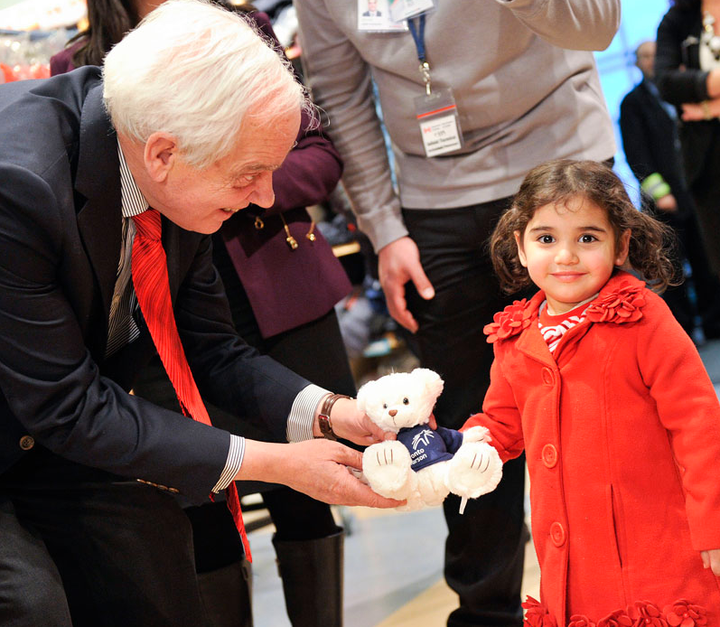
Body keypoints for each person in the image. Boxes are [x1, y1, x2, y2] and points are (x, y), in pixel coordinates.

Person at [0, 2, 404, 625]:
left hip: (51, 430)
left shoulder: (168, 155)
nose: (267, 197)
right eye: (251, 174)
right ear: (163, 153)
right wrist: (278, 464)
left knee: (157, 551)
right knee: (34, 606)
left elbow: (213, 345)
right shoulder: (20, 188)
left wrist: (333, 414)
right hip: (39, 417)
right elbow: (67, 406)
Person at [293, 1, 620, 624]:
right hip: (432, 201)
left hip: (561, 165)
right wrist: (384, 231)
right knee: (461, 424)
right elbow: (340, 94)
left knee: (601, 403)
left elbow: (599, 24)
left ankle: (625, 597)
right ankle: (485, 613)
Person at [461, 158, 720, 624]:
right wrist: (467, 446)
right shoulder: (516, 336)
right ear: (519, 248)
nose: (565, 256)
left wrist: (714, 525)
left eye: (587, 237)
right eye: (546, 239)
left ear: (621, 246)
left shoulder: (644, 318)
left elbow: (698, 424)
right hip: (574, 567)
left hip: (661, 556)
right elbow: (502, 422)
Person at [619, 39, 720, 340]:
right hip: (663, 203)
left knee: (707, 259)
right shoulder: (632, 103)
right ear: (637, 64)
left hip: (696, 192)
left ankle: (715, 323)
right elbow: (636, 153)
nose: (652, 61)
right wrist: (661, 193)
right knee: (672, 267)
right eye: (645, 56)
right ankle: (682, 331)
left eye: (656, 55)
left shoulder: (680, 93)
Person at [655, 0, 720, 279]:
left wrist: (707, 106)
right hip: (706, 162)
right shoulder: (677, 19)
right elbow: (667, 83)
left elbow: (681, 83)